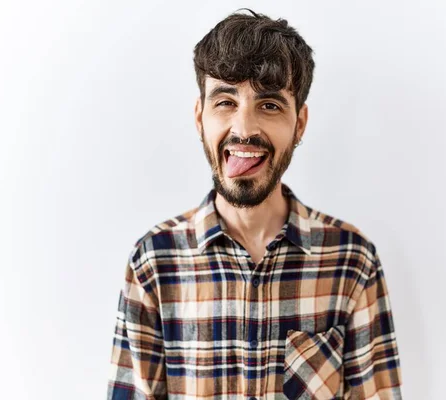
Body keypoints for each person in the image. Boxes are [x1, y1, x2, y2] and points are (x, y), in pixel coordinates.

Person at [107, 8, 402, 400]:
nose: (244, 129)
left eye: (269, 105)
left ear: (300, 124)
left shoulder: (352, 261)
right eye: (225, 101)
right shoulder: (153, 264)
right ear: (200, 118)